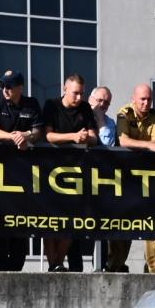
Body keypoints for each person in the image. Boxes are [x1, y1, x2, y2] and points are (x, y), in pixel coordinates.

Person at [0, 68, 44, 272]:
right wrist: (13, 137)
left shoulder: (31, 104)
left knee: (21, 215)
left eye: (9, 86)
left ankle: (18, 263)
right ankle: (0, 261)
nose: (5, 89)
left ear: (20, 87)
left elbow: (38, 131)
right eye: (3, 86)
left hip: (23, 171)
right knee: (0, 214)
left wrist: (26, 136)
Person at [40, 72, 98, 271]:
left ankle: (58, 262)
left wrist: (86, 138)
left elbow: (94, 137)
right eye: (75, 93)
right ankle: (53, 263)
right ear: (65, 89)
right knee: (50, 221)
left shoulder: (85, 108)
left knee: (72, 220)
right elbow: (48, 136)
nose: (79, 98)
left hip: (76, 172)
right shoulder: (51, 105)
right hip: (51, 170)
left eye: (82, 93)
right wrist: (73, 136)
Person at [116, 84, 155, 270]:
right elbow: (123, 141)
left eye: (149, 99)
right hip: (124, 179)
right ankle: (115, 265)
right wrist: (147, 146)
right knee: (122, 225)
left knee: (150, 224)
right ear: (133, 99)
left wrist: (145, 145)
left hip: (148, 179)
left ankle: (152, 269)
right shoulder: (125, 114)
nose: (146, 103)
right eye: (142, 99)